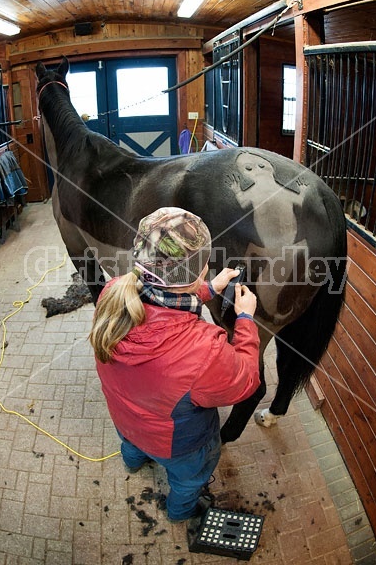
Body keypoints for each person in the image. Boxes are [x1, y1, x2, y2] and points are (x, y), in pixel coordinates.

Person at [89, 207, 260, 523]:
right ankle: (180, 512)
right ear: (201, 268)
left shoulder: (112, 292)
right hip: (178, 445)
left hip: (125, 419)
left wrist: (209, 288)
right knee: (188, 481)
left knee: (132, 444)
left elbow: (162, 295)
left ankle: (133, 461)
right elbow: (246, 380)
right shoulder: (202, 350)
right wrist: (246, 319)